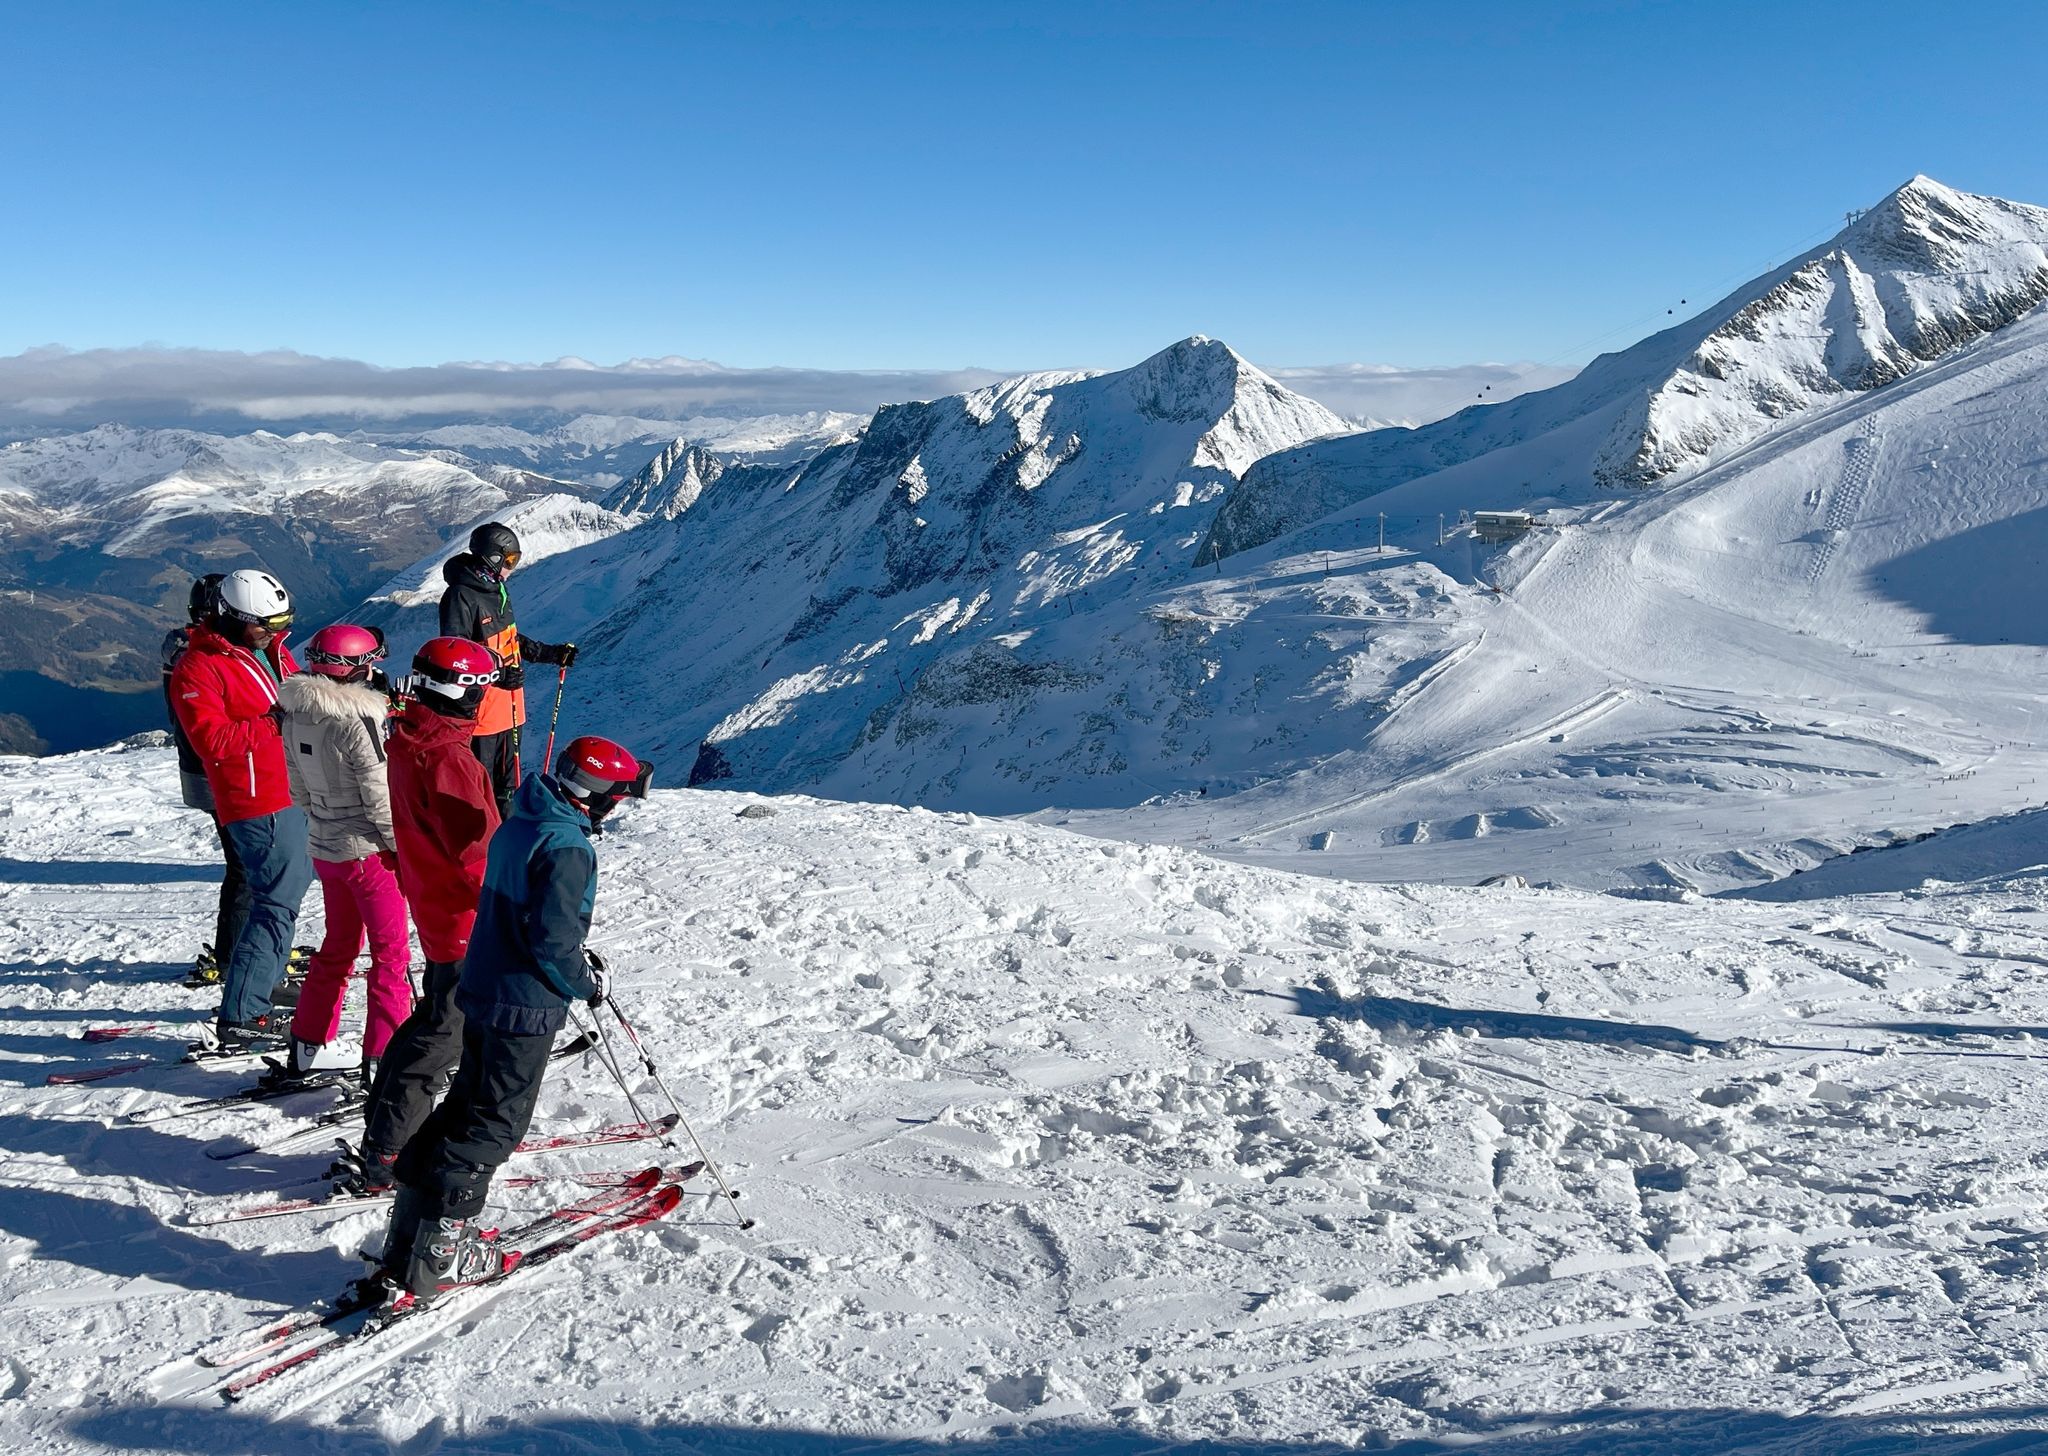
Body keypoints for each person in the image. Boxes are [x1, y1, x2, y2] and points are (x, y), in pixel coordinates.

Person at [372, 734, 651, 1306]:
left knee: (464, 1108)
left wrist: (570, 958)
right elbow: (552, 939)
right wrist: (586, 982)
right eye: (617, 796)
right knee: (493, 1125)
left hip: (483, 984)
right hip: (523, 1004)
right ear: (597, 796)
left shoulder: (525, 817)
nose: (618, 806)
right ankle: (442, 1256)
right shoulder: (568, 845)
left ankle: (410, 1236)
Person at [331, 637, 501, 1197]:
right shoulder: (449, 758)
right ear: (464, 692)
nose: (483, 701)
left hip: (432, 904)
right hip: (463, 918)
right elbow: (477, 856)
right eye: (480, 690)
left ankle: (383, 1127)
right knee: (442, 1035)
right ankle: (389, 1149)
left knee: (431, 1019)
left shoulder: (410, 737)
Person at [168, 568, 316, 1051]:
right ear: (232, 617)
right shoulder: (200, 666)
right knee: (272, 901)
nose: (275, 632)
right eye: (264, 625)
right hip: (257, 798)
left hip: (290, 787)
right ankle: (244, 1013)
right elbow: (211, 741)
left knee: (286, 896)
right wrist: (275, 722)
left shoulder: (267, 649)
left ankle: (264, 981)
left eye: (281, 623)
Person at [278, 624, 409, 1086]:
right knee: (391, 955)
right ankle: (384, 1059)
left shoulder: (295, 713)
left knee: (337, 948)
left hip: (327, 849)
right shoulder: (361, 719)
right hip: (369, 853)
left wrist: (329, 820)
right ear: (357, 666)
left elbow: (299, 790)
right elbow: (379, 798)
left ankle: (305, 1044)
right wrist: (403, 849)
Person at [436, 521, 577, 817]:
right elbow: (456, 654)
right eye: (510, 559)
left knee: (507, 790)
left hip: (510, 711)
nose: (513, 566)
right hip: (483, 715)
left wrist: (551, 654)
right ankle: (484, 854)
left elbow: (508, 640)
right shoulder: (461, 596)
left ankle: (507, 848)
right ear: (493, 557)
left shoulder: (496, 589)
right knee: (481, 789)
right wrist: (498, 676)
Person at [162, 573, 251, 986]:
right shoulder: (197, 655)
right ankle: (234, 954)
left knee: (246, 865)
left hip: (202, 769)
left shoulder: (185, 648)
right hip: (215, 771)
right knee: (246, 867)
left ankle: (241, 947)